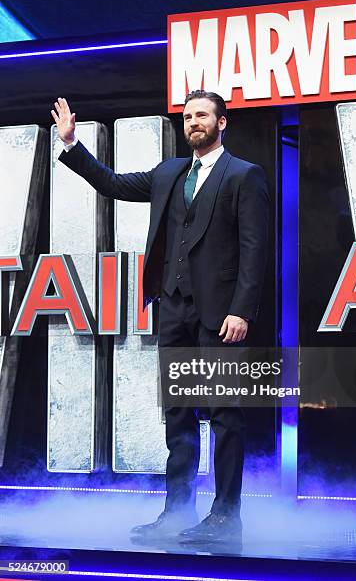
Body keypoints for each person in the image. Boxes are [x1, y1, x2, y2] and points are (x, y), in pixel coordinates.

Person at [51, 91, 270, 543]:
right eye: (188, 116)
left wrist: (241, 310)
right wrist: (72, 144)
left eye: (202, 115)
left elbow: (255, 250)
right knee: (178, 415)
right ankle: (177, 512)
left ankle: (228, 516)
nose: (193, 122)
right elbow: (112, 184)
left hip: (220, 315)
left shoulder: (244, 176)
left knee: (225, 413)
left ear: (221, 122)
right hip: (174, 309)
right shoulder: (169, 172)